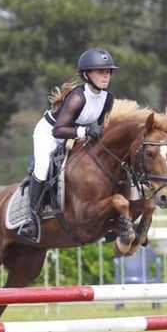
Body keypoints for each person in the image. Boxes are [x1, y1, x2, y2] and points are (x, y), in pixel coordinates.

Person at [17, 47, 117, 243]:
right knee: (44, 167)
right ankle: (32, 220)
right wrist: (85, 132)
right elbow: (58, 130)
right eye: (100, 71)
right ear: (87, 75)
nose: (106, 75)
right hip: (50, 133)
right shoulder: (78, 97)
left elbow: (101, 125)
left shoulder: (108, 98)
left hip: (74, 134)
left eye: (108, 71)